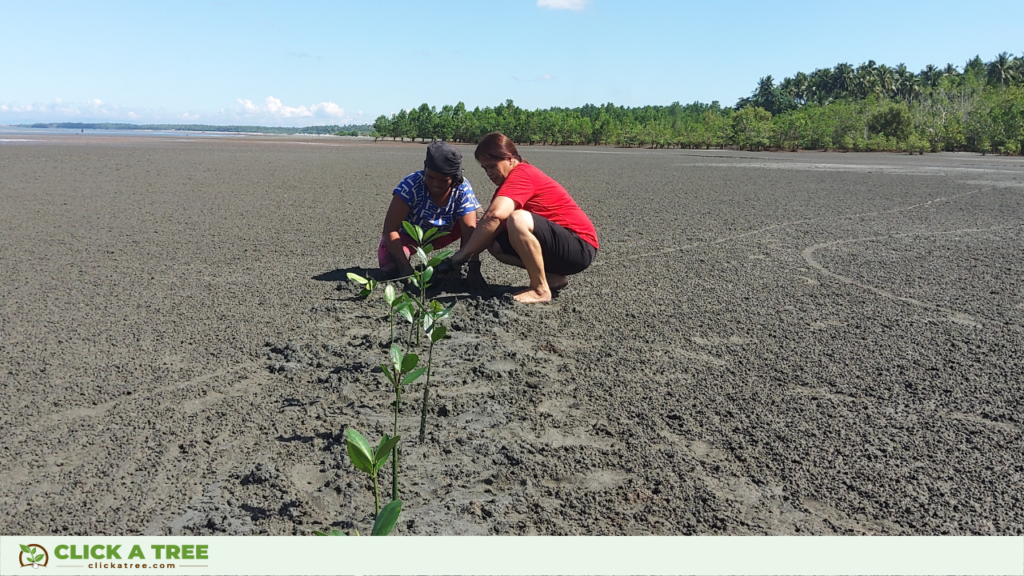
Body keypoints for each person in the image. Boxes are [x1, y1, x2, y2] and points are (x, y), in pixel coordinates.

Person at [451, 132, 598, 303]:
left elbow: (494, 215)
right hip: (559, 249)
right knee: (493, 242)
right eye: (485, 169)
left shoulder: (522, 174)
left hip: (580, 245)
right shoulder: (505, 189)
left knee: (516, 219)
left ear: (510, 159)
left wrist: (463, 254)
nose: (489, 173)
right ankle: (551, 279)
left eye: (492, 166)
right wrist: (465, 262)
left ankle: (540, 290)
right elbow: (488, 229)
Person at [379, 142, 484, 285]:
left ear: (454, 178)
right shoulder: (411, 186)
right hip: (411, 235)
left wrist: (472, 268)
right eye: (430, 177)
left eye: (443, 180)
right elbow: (390, 229)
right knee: (390, 265)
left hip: (447, 232)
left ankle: (451, 266)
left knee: (480, 224)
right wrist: (405, 268)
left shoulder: (462, 189)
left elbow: (469, 233)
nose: (435, 184)